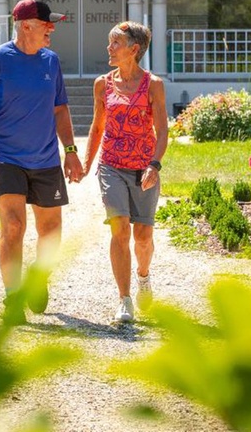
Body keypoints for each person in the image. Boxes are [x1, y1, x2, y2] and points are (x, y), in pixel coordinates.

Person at [0, 0, 84, 326]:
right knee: (14, 227)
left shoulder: (51, 61)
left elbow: (60, 109)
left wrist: (71, 152)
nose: (52, 28)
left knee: (51, 233)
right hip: (6, 157)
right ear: (26, 26)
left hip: (45, 158)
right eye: (47, 23)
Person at [83, 21, 168, 323]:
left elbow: (162, 132)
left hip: (144, 168)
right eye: (109, 42)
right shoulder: (102, 84)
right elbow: (97, 127)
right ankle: (124, 299)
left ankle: (143, 276)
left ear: (134, 49)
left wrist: (154, 166)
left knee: (142, 237)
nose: (109, 48)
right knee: (120, 228)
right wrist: (86, 164)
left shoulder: (153, 85)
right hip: (111, 165)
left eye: (115, 43)